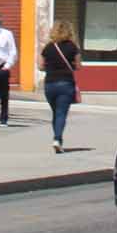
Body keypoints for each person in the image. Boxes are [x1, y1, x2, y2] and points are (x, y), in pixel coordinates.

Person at [41, 20, 81, 152]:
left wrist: (50, 66)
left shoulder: (48, 47)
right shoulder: (73, 47)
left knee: (55, 113)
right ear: (69, 32)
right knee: (61, 113)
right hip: (65, 83)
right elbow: (78, 66)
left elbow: (40, 66)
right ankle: (57, 139)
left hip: (50, 84)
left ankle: (57, 139)